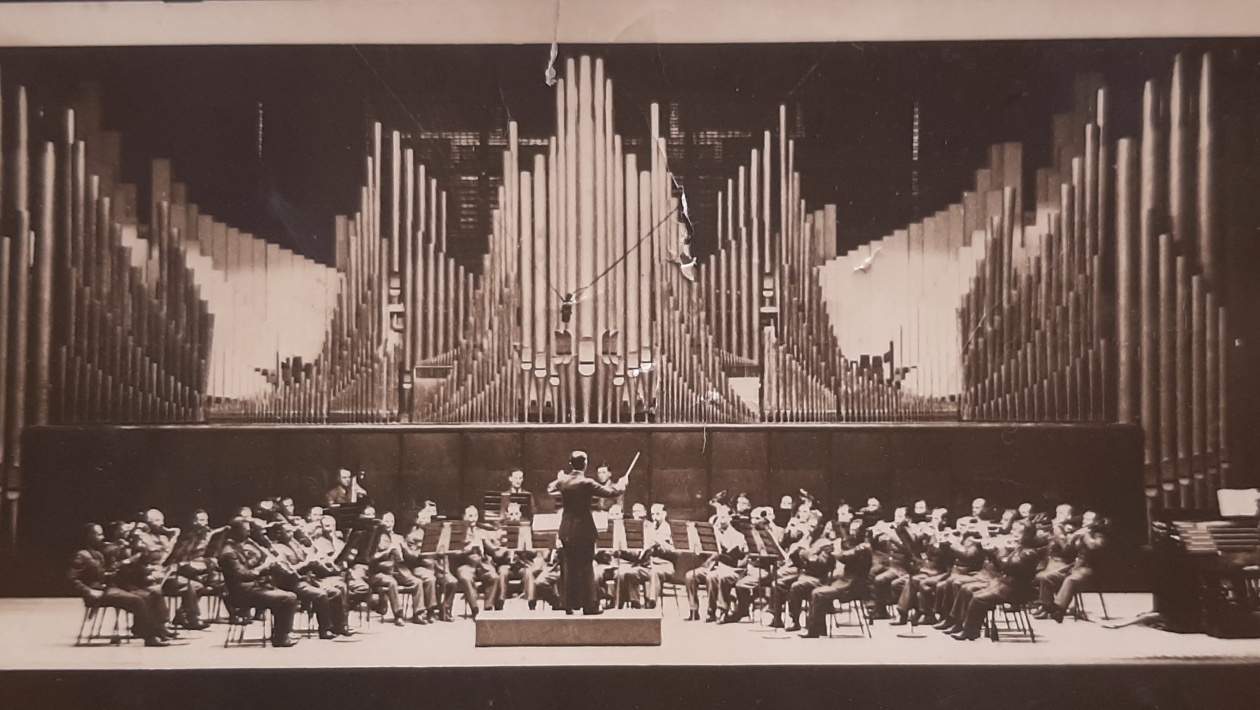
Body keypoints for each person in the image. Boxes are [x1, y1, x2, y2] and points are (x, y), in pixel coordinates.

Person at [70, 523, 172, 647]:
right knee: (138, 601)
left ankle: (156, 630)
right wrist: (88, 591)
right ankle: (150, 637)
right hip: (98, 592)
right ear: (88, 536)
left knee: (147, 595)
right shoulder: (82, 555)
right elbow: (72, 578)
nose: (102, 537)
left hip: (108, 587)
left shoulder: (98, 552)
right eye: (98, 534)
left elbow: (105, 572)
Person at [557, 451, 627, 615]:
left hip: (566, 529)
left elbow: (550, 488)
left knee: (570, 567)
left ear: (570, 464)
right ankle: (590, 606)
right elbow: (612, 493)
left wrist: (560, 478)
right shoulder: (586, 482)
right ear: (585, 464)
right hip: (583, 530)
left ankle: (569, 605)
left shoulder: (563, 480)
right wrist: (622, 484)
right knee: (586, 567)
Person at [218, 518, 300, 647]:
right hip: (242, 594)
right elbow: (243, 575)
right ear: (235, 531)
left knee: (283, 594)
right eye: (246, 531)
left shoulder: (236, 547)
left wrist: (263, 560)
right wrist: (263, 566)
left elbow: (246, 567)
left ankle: (281, 633)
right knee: (288, 598)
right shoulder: (229, 552)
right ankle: (281, 637)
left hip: (250, 589)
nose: (248, 534)